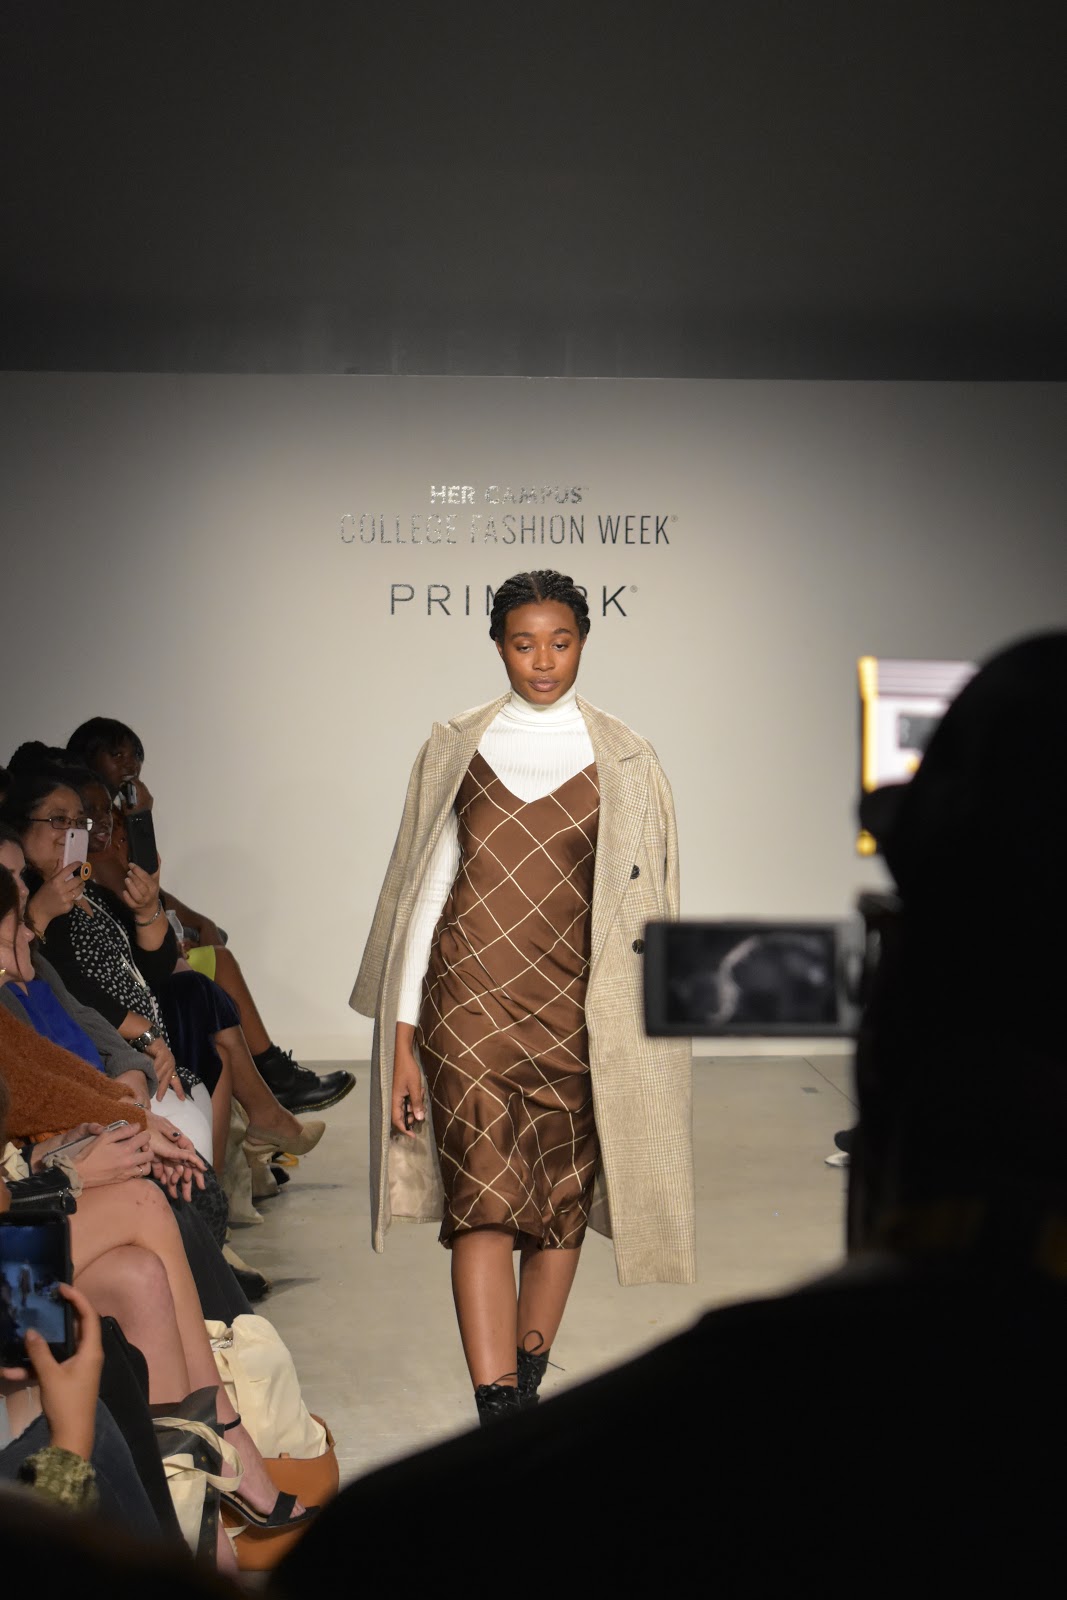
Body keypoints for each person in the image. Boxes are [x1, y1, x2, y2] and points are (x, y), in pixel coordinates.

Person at [352, 569, 694, 1423]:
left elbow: (651, 908)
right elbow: (425, 893)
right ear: (498, 646)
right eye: (523, 643)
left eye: (560, 642)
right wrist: (402, 1038)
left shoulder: (628, 758)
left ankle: (526, 1389)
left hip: (579, 1016)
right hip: (467, 1004)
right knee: (483, 1205)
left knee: (558, 1206)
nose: (542, 661)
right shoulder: (455, 746)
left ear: (583, 643)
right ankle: (496, 1407)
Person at [66, 719, 354, 1115]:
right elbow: (134, 888)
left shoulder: (112, 820)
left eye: (135, 755)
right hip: (126, 967)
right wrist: (140, 819)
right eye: (117, 754)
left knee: (215, 957)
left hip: (141, 946)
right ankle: (274, 1078)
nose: (130, 764)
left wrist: (200, 923)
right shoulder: (92, 830)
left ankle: (271, 1081)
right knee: (213, 966)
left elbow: (150, 890)